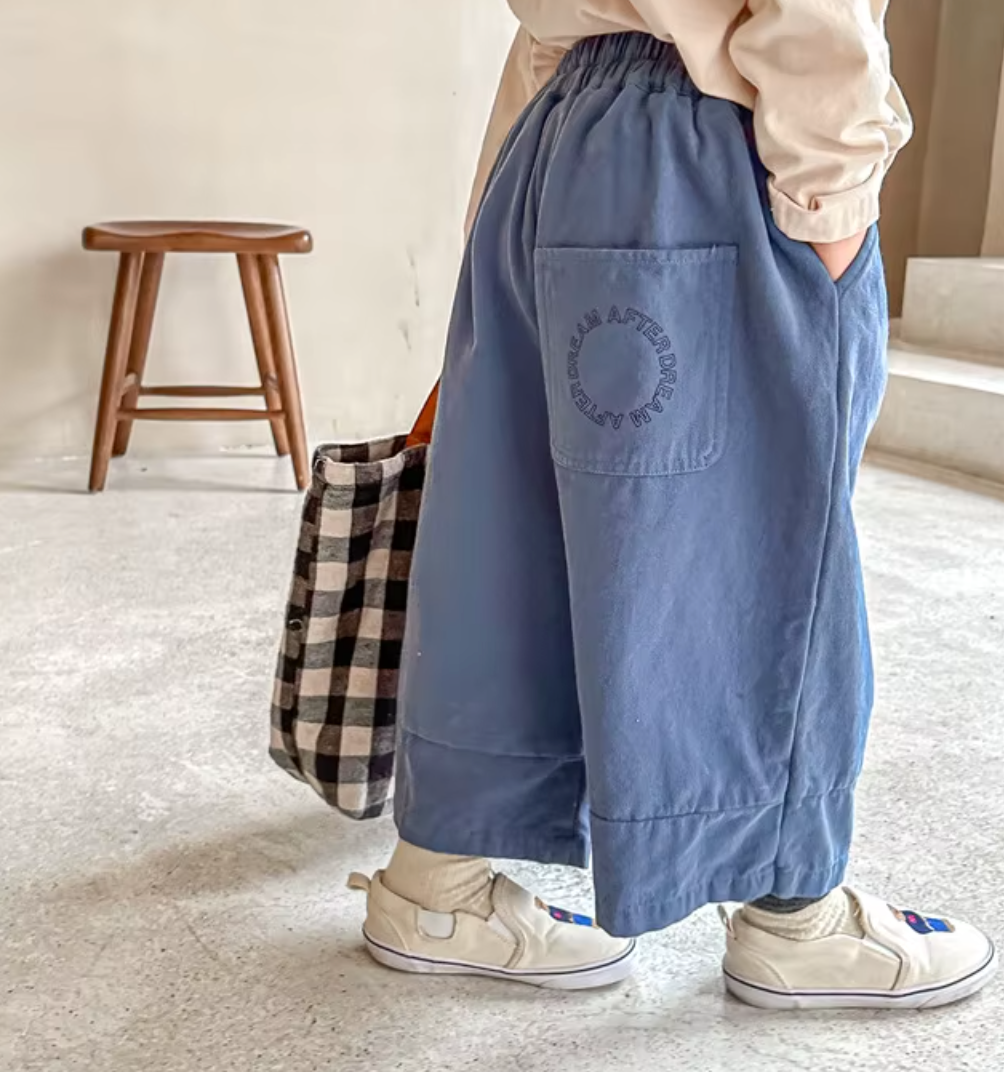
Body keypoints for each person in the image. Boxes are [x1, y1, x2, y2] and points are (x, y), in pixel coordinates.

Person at [349, 1, 997, 1009]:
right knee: (761, 541)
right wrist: (832, 201)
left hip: (557, 133)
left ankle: (434, 887)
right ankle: (795, 919)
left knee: (507, 533)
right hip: (704, 150)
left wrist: (499, 218)